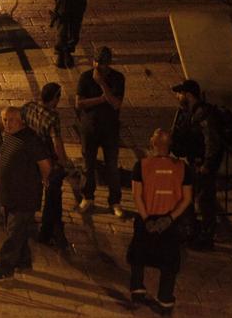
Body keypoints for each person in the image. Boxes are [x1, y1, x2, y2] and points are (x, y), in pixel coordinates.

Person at [128, 129, 194, 315]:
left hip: (147, 217)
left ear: (153, 143)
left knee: (138, 255)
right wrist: (170, 218)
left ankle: (137, 289)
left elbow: (136, 195)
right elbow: (187, 198)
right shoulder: (182, 167)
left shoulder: (141, 166)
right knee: (169, 261)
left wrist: (147, 219)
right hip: (169, 221)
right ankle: (165, 299)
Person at [0, 106, 52, 281]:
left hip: (25, 196)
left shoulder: (31, 140)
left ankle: (5, 268)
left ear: (21, 121)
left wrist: (44, 180)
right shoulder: (9, 135)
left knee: (14, 233)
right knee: (18, 231)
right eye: (5, 120)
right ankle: (23, 261)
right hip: (9, 195)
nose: (7, 124)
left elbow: (45, 164)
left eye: (12, 120)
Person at [170, 79, 224, 249]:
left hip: (203, 164)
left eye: (180, 93)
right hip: (193, 162)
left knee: (205, 200)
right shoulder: (189, 112)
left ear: (188, 94)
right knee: (188, 198)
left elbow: (211, 141)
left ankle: (206, 238)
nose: (178, 97)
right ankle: (190, 232)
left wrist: (207, 164)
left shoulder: (203, 114)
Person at [23, 82, 74, 251]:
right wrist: (65, 164)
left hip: (28, 158)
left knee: (54, 194)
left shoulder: (29, 106)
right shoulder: (52, 117)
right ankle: (49, 231)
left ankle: (54, 229)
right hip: (44, 161)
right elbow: (57, 144)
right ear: (54, 99)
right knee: (54, 192)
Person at [75, 46, 126, 216]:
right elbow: (79, 103)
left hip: (110, 129)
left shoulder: (118, 78)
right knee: (88, 164)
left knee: (112, 165)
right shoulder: (85, 77)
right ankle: (87, 197)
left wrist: (102, 84)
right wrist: (102, 99)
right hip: (89, 128)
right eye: (96, 62)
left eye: (102, 63)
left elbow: (116, 103)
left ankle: (115, 201)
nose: (98, 66)